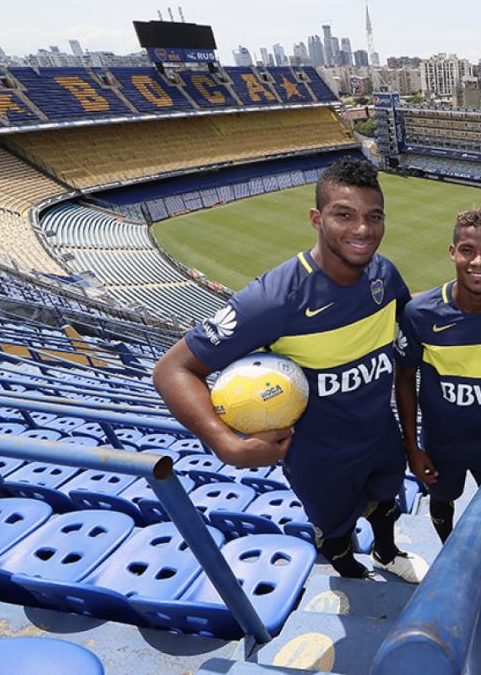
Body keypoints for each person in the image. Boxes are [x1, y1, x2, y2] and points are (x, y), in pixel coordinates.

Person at [152, 156, 427, 583]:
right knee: (334, 533)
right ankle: (347, 571)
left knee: (387, 504)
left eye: (373, 216)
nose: (362, 230)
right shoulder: (275, 298)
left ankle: (387, 552)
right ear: (316, 219)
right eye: (344, 215)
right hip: (318, 459)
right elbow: (172, 370)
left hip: (381, 436)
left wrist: (465, 292)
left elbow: (411, 316)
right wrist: (226, 444)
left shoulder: (384, 275)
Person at [395, 207, 481, 566]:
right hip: (440, 444)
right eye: (467, 250)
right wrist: (412, 446)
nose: (479, 261)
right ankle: (450, 550)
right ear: (452, 252)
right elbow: (404, 378)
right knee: (443, 499)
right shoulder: (421, 313)